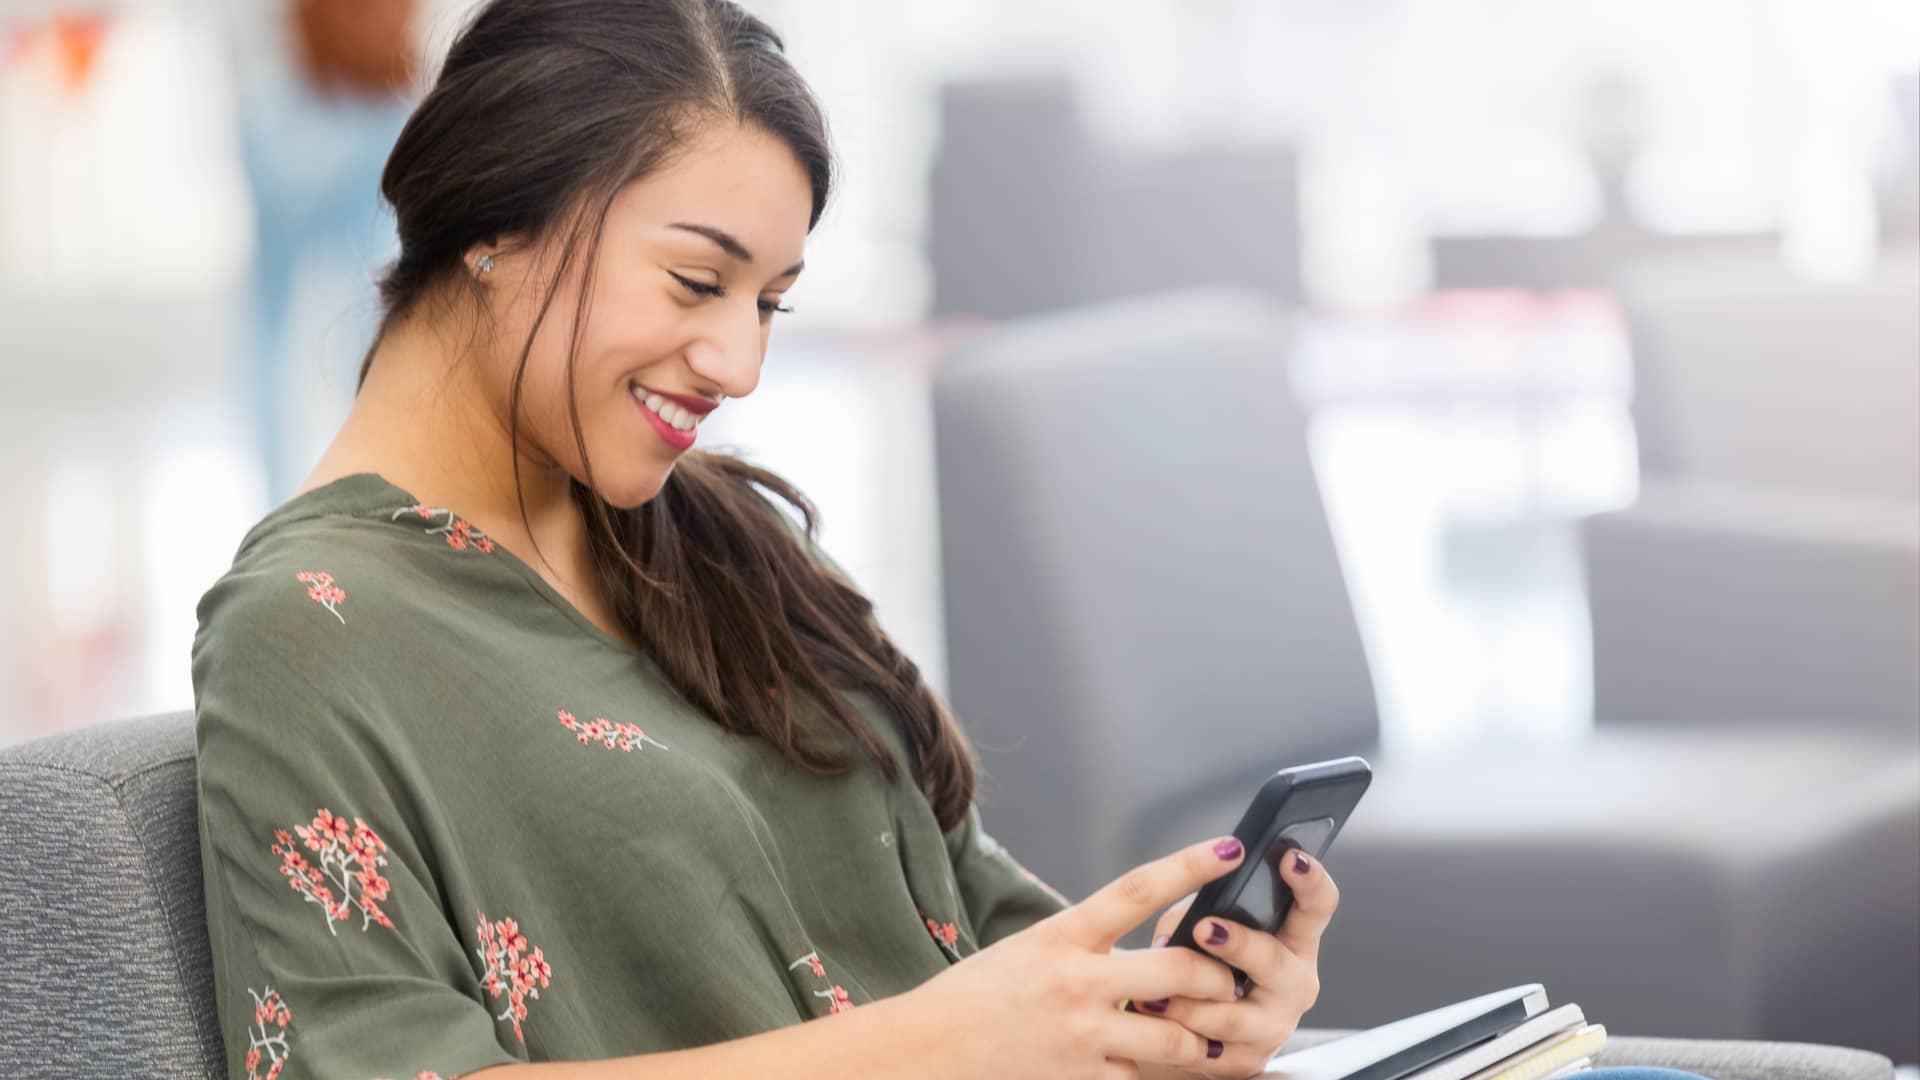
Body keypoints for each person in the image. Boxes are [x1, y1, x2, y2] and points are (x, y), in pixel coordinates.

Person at [191, 2, 1332, 1077]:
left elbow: (982, 946)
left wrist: (1166, 1016)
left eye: (769, 304)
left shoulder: (732, 542)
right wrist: (929, 1048)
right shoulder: (306, 627)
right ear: (498, 219)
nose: (739, 365)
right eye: (697, 281)